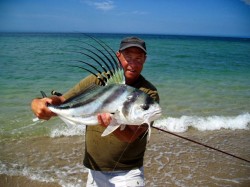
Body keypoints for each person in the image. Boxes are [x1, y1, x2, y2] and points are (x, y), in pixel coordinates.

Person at [31, 36, 160, 186]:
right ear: (118, 56)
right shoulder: (98, 80)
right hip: (94, 170)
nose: (132, 64)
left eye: (138, 58)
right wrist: (40, 102)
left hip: (127, 174)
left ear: (145, 59)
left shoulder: (148, 93)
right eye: (128, 57)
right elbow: (62, 100)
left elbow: (132, 136)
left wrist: (111, 125)